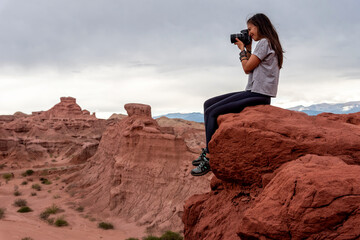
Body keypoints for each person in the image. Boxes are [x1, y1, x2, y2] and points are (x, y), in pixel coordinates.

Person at [191, 13, 284, 176]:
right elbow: (251, 66)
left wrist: (242, 50)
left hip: (259, 94)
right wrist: (248, 48)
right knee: (208, 103)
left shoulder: (264, 43)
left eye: (250, 29)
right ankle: (207, 149)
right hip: (253, 91)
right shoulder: (267, 44)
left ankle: (209, 158)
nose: (249, 33)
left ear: (259, 26)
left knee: (212, 112)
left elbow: (247, 68)